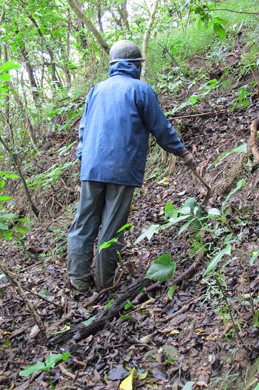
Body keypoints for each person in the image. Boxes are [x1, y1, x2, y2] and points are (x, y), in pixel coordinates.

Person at [67, 40, 194, 291]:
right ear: (136, 65)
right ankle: (104, 284)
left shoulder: (96, 90)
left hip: (92, 166)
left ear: (113, 65)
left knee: (83, 223)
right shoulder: (142, 90)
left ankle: (79, 281)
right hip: (122, 168)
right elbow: (161, 129)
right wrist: (182, 152)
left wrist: (85, 157)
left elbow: (83, 129)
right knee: (112, 226)